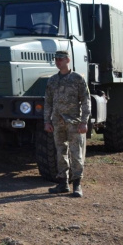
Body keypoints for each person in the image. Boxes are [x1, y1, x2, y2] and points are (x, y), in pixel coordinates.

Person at [44, 50, 91, 197]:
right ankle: (63, 183)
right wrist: (47, 121)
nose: (58, 61)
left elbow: (85, 100)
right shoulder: (52, 80)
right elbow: (48, 103)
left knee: (76, 153)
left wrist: (84, 121)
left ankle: (77, 185)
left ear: (68, 60)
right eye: (56, 59)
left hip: (74, 123)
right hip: (58, 123)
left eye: (61, 59)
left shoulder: (77, 79)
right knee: (60, 152)